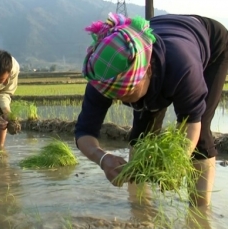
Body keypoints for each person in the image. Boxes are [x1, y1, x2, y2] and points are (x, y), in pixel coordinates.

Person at [75, 13, 228, 207]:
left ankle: (199, 212)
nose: (124, 102)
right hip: (162, 43)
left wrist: (176, 164)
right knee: (141, 134)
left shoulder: (182, 67)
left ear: (147, 71)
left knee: (201, 135)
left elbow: (191, 122)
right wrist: (103, 159)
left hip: (211, 44)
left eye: (129, 95)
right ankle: (141, 209)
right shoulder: (103, 76)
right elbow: (83, 132)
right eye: (116, 97)